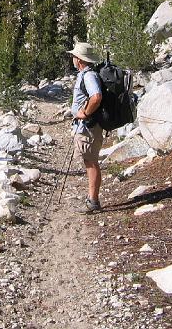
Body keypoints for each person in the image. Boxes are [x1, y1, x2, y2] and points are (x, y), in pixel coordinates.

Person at [67, 42, 104, 214]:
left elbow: (96, 97)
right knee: (89, 161)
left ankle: (93, 201)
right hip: (86, 127)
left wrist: (85, 113)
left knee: (90, 162)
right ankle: (92, 199)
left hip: (88, 127)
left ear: (80, 59)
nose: (73, 59)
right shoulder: (86, 74)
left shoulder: (88, 76)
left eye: (75, 56)